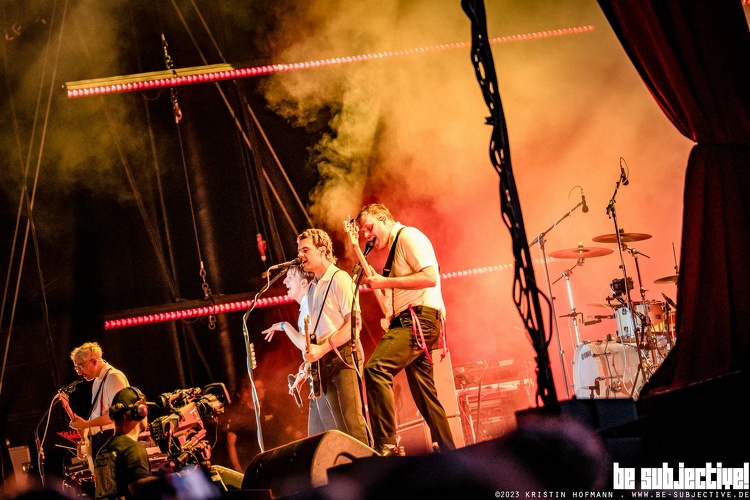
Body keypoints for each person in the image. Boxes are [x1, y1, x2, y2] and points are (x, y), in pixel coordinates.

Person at [355, 203, 455, 456]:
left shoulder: (408, 236)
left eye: (369, 227)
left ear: (384, 219)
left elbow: (430, 277)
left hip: (418, 320)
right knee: (425, 395)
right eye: (363, 232)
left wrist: (385, 281)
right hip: (413, 320)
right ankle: (448, 451)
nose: (367, 235)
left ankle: (387, 445)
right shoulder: (395, 247)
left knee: (375, 368)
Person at [264, 229, 369, 446]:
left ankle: (371, 465)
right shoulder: (312, 289)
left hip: (343, 358)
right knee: (338, 432)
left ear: (323, 250)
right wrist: (307, 366)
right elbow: (314, 337)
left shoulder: (340, 279)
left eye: (305, 250)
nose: (300, 255)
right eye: (299, 251)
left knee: (352, 424)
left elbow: (354, 326)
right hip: (323, 363)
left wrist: (322, 348)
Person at [68, 342, 129, 473]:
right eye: (77, 368)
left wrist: (86, 424)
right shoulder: (97, 381)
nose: (79, 372)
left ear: (94, 361)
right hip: (101, 439)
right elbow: (97, 416)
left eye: (81, 366)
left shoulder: (114, 377)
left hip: (110, 438)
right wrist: (85, 442)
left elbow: (118, 415)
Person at [93, 386, 153, 499]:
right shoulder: (132, 448)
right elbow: (141, 489)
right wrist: (173, 479)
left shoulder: (103, 450)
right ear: (139, 412)